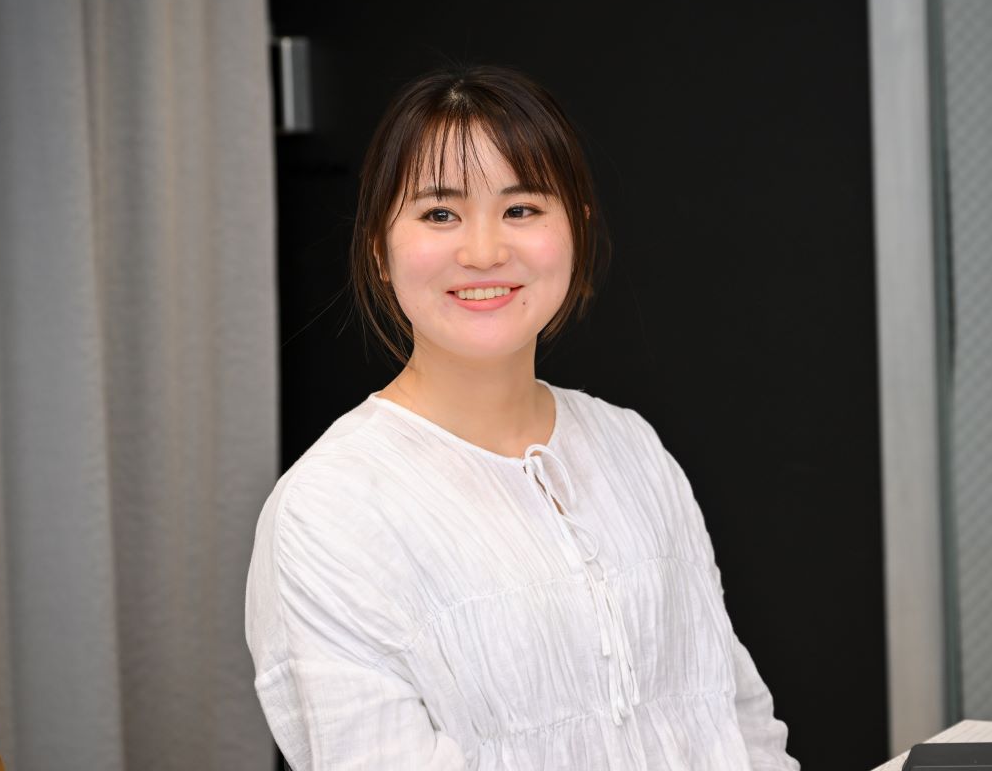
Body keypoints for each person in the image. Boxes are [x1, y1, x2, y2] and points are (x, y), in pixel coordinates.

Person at [245, 64, 800, 771]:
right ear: (380, 249)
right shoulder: (332, 508)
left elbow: (737, 722)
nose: (483, 252)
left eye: (522, 209)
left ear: (577, 230)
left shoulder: (631, 447)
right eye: (439, 214)